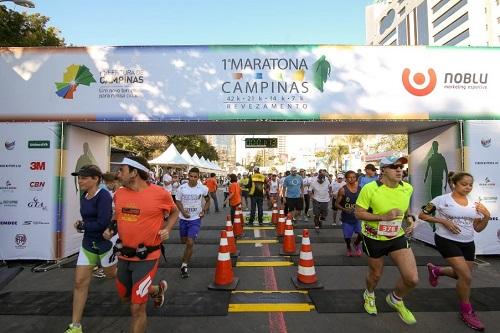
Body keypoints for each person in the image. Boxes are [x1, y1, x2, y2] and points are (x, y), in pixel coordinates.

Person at [104, 156, 179, 333]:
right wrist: (111, 229)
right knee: (125, 297)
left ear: (134, 173)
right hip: (124, 255)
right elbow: (117, 216)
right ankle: (156, 290)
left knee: (137, 307)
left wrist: (167, 228)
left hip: (147, 258)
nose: (117, 173)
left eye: (121, 170)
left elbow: (174, 211)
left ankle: (147, 292)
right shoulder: (119, 193)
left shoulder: (160, 193)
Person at [419, 172, 490, 331]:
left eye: (470, 184)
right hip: (446, 240)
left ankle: (436, 270)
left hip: (468, 243)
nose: (468, 187)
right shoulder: (441, 200)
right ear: (454, 184)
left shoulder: (475, 204)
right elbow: (422, 214)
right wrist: (443, 220)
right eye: (464, 184)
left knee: (460, 275)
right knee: (466, 276)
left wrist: (486, 216)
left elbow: (478, 229)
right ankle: (466, 311)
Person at [355, 155, 418, 325]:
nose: (399, 170)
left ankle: (396, 299)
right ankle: (369, 293)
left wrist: (410, 219)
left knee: (412, 278)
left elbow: (405, 210)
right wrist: (383, 216)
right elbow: (358, 213)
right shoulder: (370, 188)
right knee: (375, 275)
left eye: (401, 167)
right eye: (394, 167)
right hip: (373, 237)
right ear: (383, 170)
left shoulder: (407, 188)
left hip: (396, 236)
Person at [65, 165, 117, 333]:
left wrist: (83, 225)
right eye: (79, 177)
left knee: (113, 275)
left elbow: (103, 223)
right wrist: (83, 225)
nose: (80, 180)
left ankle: (150, 289)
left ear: (96, 179)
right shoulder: (84, 195)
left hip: (105, 244)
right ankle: (75, 326)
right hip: (88, 243)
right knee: (79, 282)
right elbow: (88, 220)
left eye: (84, 177)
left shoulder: (104, 196)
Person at [175, 167, 210, 278]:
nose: (193, 179)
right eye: (191, 176)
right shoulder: (182, 188)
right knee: (184, 241)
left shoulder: (203, 188)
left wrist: (204, 210)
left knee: (190, 242)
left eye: (195, 177)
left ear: (198, 177)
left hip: (195, 219)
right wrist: (182, 211)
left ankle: (184, 265)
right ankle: (187, 254)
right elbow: (178, 201)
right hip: (183, 219)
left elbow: (208, 200)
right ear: (188, 176)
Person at [336, 170, 362, 256]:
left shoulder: (360, 189)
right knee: (347, 237)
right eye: (349, 177)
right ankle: (348, 247)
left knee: (362, 234)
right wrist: (345, 209)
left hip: (358, 217)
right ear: (346, 179)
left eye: (354, 177)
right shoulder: (342, 190)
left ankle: (356, 244)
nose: (352, 179)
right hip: (347, 218)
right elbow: (336, 204)